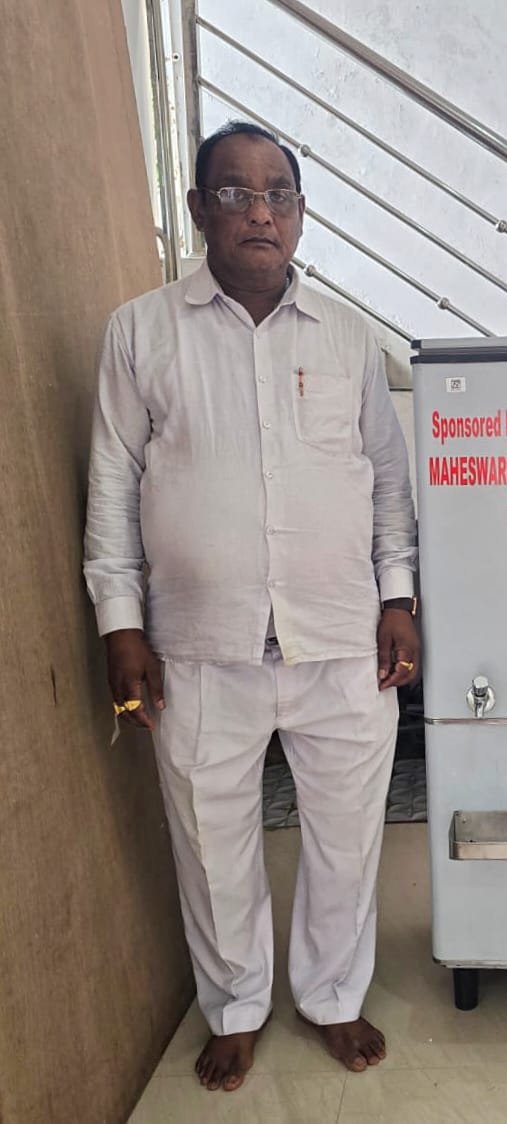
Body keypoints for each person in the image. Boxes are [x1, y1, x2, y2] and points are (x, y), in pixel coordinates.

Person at [84, 121, 419, 1091]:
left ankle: (333, 994)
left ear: (301, 214)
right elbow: (111, 484)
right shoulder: (140, 333)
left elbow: (386, 481)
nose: (260, 212)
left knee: (347, 836)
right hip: (198, 645)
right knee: (210, 838)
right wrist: (119, 623)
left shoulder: (349, 337)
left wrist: (399, 597)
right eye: (235, 192)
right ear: (199, 210)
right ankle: (235, 1004)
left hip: (340, 638)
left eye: (279, 194)